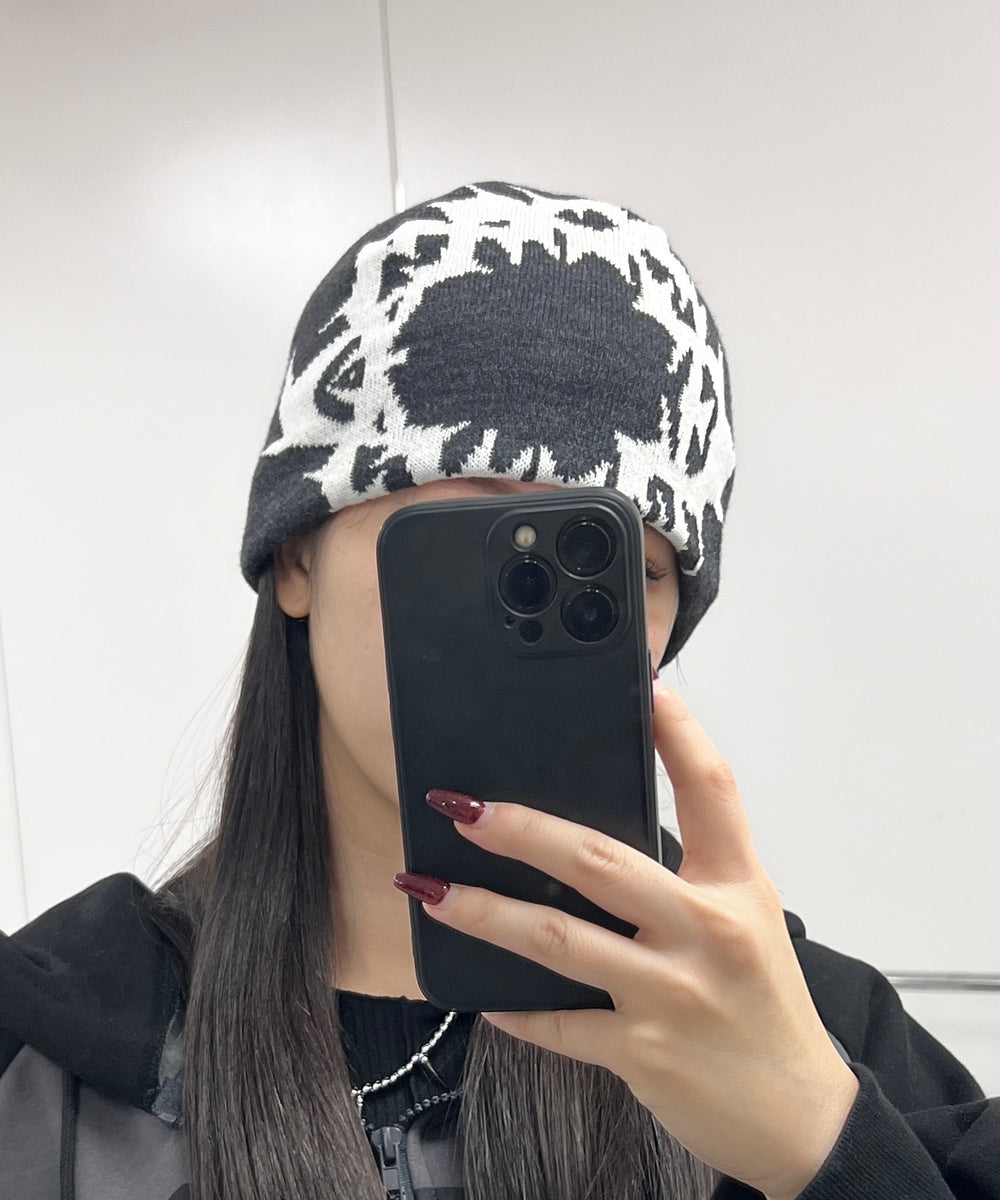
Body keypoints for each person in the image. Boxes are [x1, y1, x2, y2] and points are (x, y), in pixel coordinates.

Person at [0, 180, 996, 1200]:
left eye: (624, 570)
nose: (528, 625)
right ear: (296, 557)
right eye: (482, 536)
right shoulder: (47, 1051)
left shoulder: (824, 1037)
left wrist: (829, 1149)